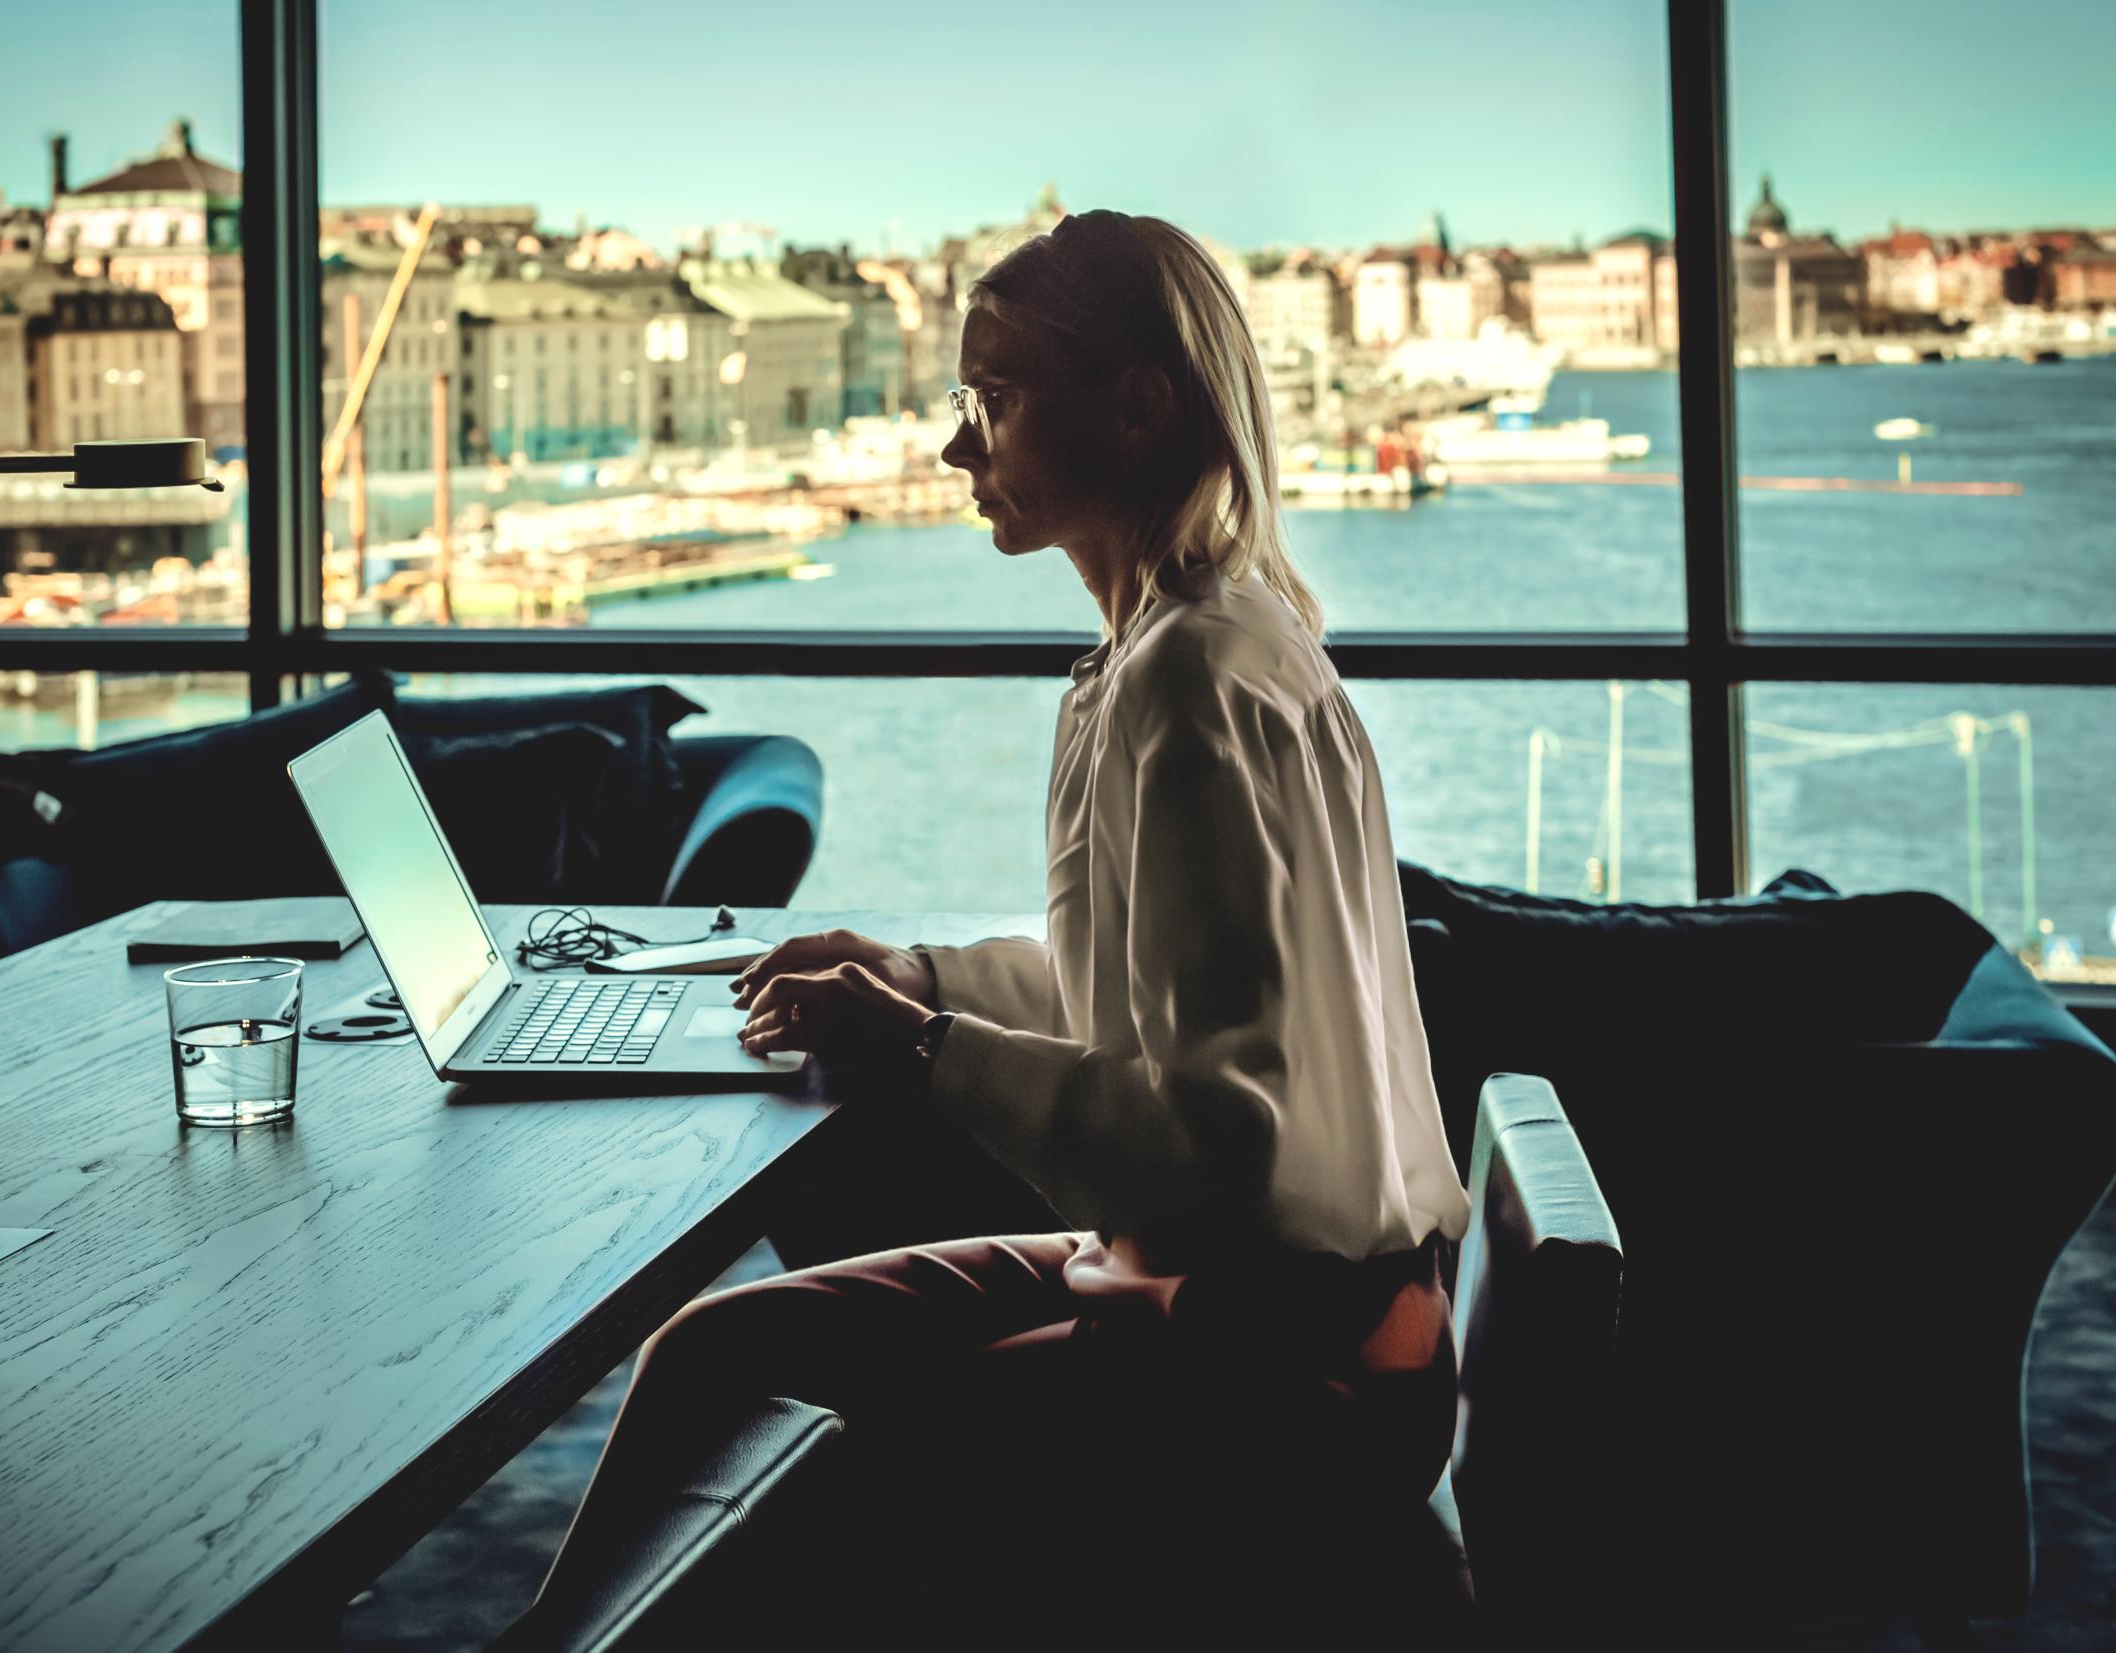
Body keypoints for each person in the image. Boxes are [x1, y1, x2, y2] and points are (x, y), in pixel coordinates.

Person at [516, 209, 1474, 1646]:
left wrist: (918, 1044)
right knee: (719, 1353)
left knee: (798, 1455)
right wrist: (915, 977)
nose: (960, 449)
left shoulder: (1185, 687)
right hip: (1278, 1298)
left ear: (1137, 408)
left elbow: (1225, 1134)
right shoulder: (1205, 640)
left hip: (1288, 1360)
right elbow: (1142, 994)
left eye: (997, 403)